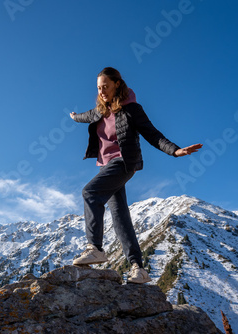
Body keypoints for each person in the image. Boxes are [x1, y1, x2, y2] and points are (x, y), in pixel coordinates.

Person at [70, 67, 202, 284]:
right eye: (99, 88)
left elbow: (153, 134)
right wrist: (75, 117)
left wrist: (176, 151)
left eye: (106, 87)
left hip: (123, 162)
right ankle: (138, 269)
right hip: (105, 166)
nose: (102, 92)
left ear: (117, 85)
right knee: (120, 214)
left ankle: (95, 248)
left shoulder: (131, 109)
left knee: (90, 192)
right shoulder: (100, 110)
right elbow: (86, 117)